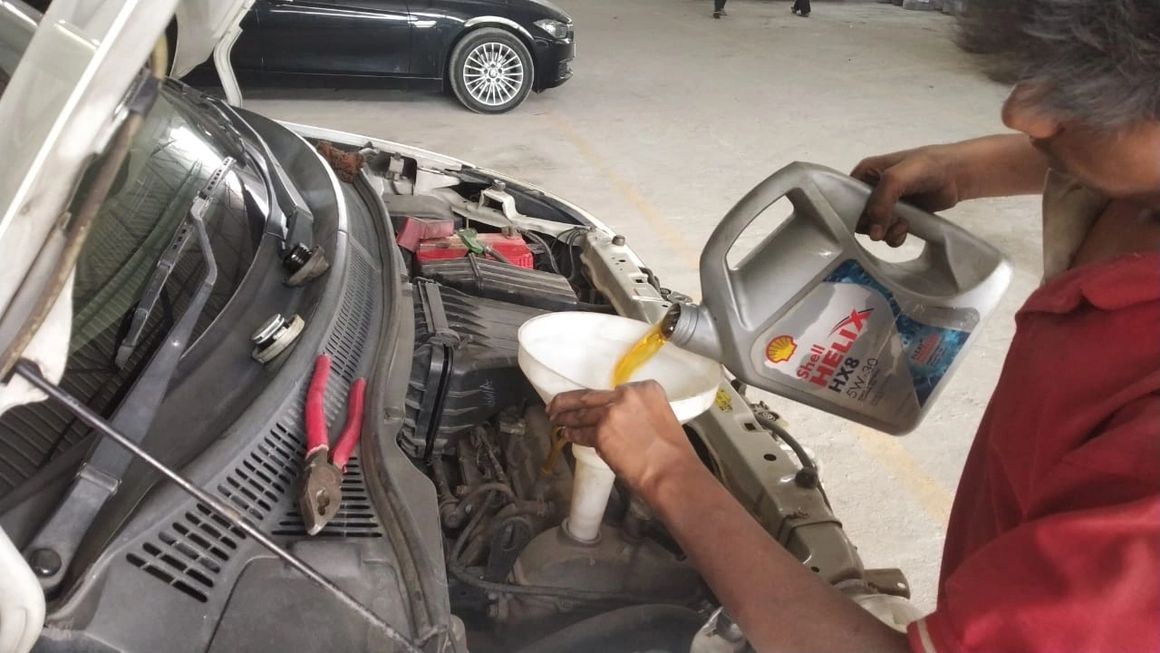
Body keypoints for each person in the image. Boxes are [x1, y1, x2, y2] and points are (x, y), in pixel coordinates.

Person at [548, 0, 1160, 650]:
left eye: (1101, 94)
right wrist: (968, 167)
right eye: (1054, 73)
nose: (1022, 114)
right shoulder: (1131, 179)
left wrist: (666, 468)